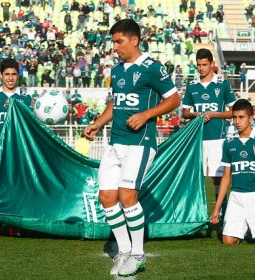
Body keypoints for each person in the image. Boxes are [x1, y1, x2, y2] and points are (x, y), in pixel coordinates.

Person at [84, 19, 180, 277]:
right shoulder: (116, 71)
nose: (115, 47)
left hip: (140, 144)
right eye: (113, 42)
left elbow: (174, 99)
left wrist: (146, 115)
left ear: (134, 40)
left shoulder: (152, 68)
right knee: (106, 197)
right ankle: (124, 249)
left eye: (119, 42)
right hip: (115, 142)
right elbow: (116, 104)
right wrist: (97, 123)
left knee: (127, 197)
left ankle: (138, 254)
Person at [210, 99, 255, 246]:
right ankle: (245, 228)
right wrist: (217, 209)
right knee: (228, 241)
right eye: (234, 117)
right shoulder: (229, 143)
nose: (237, 121)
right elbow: (226, 178)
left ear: (251, 118)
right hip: (237, 197)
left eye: (241, 117)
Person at [0, 58, 32, 237]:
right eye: (7, 74)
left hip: (17, 148)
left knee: (16, 185)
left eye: (14, 74)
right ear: (1, 76)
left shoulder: (25, 98)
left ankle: (13, 224)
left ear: (18, 76)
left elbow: (29, 125)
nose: (10, 78)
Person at [182, 48, 236, 215]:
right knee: (195, 177)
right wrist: (195, 114)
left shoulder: (222, 84)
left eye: (204, 64)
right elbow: (184, 113)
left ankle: (222, 212)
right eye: (198, 65)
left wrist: (214, 114)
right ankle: (196, 212)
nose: (201, 68)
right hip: (197, 139)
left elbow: (233, 112)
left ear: (212, 64)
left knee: (218, 177)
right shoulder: (192, 86)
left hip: (217, 139)